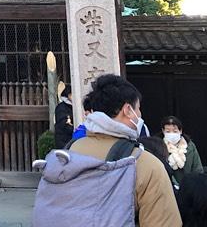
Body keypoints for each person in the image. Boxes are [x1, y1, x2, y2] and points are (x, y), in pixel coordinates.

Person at [68, 74, 181, 227]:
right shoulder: (145, 164)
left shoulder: (69, 152)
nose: (140, 115)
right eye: (138, 108)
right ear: (128, 110)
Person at [161, 115, 204, 183]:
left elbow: (197, 168)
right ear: (163, 131)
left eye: (175, 131)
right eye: (168, 131)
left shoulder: (190, 146)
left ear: (180, 131)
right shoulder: (159, 147)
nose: (171, 134)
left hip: (189, 187)